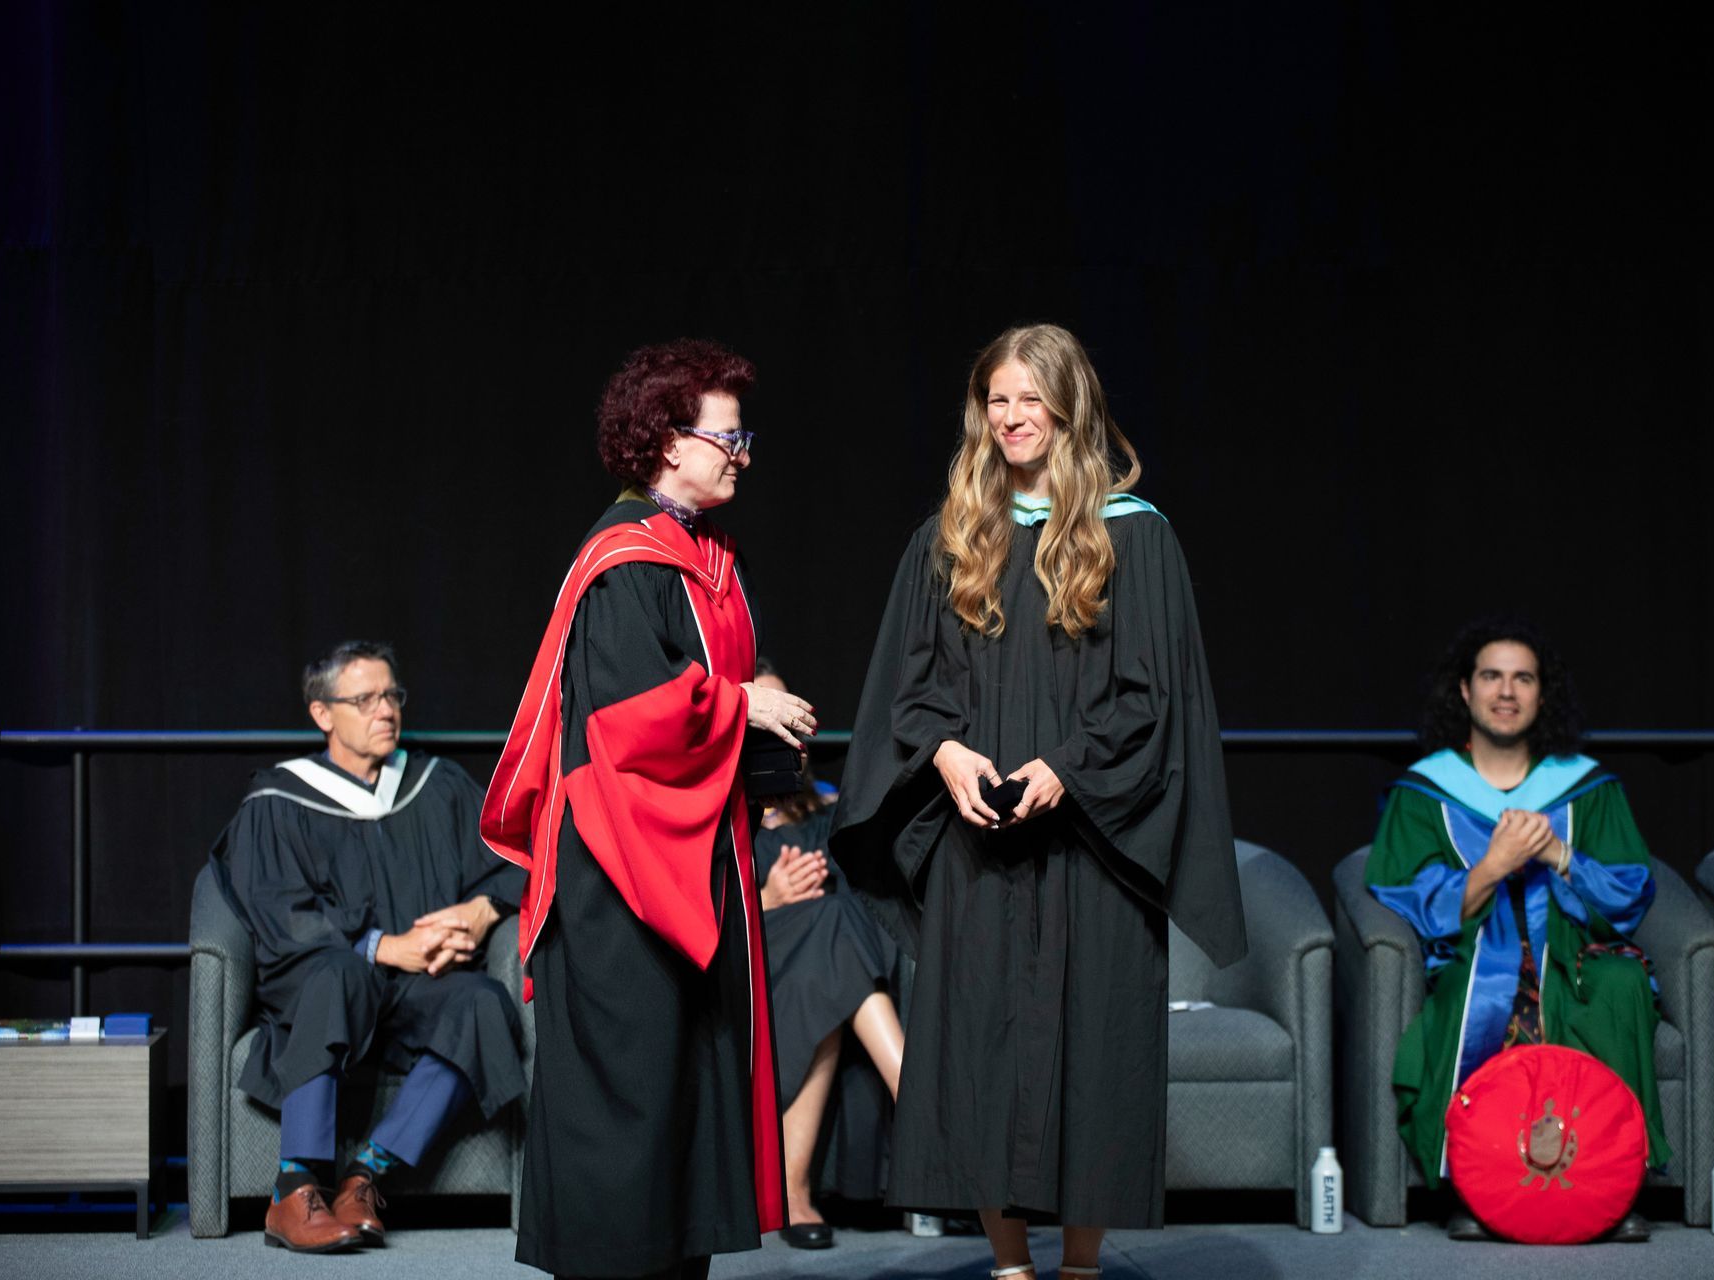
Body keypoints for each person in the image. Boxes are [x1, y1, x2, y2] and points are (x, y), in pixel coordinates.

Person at [832, 323, 1247, 1280]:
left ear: (1070, 408)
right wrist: (945, 756)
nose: (1012, 417)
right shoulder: (948, 537)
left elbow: (1153, 698)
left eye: (1031, 398)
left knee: (1093, 1050)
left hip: (1091, 845)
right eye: (997, 399)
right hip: (978, 845)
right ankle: (1012, 1267)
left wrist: (1066, 765)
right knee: (980, 1051)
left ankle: (1081, 1266)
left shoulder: (1133, 535)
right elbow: (911, 686)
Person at [482, 339, 808, 1279]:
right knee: (626, 1102)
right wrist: (742, 703)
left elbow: (726, 681)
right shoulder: (626, 560)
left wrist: (760, 697)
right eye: (726, 435)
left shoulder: (703, 555)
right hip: (622, 883)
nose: (742, 451)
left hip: (691, 867)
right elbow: (628, 725)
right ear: (667, 441)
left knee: (684, 1097)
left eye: (744, 434)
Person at [210, 640, 527, 1253]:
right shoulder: (279, 802)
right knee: (338, 976)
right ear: (323, 713)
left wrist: (481, 910)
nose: (386, 711)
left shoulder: (438, 787)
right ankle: (294, 1189)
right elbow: (280, 915)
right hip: (332, 979)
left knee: (483, 1004)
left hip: (418, 987)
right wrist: (386, 947)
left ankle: (367, 1176)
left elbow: (509, 862)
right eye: (365, 699)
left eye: (391, 695)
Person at [1365, 618, 1665, 1243]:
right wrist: (1493, 867)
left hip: (1573, 947)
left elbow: (1630, 887)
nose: (1507, 691)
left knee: (1617, 985)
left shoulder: (1587, 787)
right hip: (1475, 951)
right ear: (1465, 692)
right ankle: (1478, 1185)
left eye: (1523, 678)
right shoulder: (1426, 790)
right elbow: (1405, 890)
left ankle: (1612, 1184)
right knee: (1481, 995)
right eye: (1492, 676)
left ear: (1542, 695)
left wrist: (1559, 853)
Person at [749, 663, 905, 1250]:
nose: (781, 725)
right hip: (758, 975)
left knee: (834, 937)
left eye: (790, 713)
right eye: (765, 713)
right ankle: (914, 1091)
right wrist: (766, 900)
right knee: (831, 939)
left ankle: (794, 1190)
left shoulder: (827, 814)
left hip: (822, 975)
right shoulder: (723, 823)